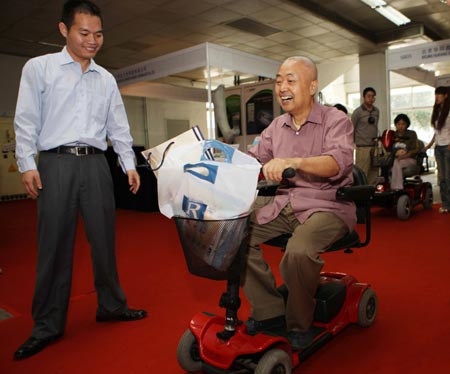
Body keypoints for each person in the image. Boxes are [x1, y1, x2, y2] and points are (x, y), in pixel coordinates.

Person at [13, 0, 147, 360]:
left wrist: (128, 162)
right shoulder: (38, 68)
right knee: (54, 246)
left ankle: (112, 306)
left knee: (104, 240)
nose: (92, 40)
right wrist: (27, 163)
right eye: (84, 32)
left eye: (98, 34)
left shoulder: (106, 79)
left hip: (96, 165)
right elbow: (26, 118)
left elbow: (118, 125)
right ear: (64, 30)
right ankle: (46, 326)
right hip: (56, 164)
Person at [242, 56, 355, 350]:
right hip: (285, 203)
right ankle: (269, 311)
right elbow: (253, 159)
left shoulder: (336, 120)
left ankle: (298, 323)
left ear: (312, 86)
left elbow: (337, 164)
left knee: (299, 252)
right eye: (279, 81)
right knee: (235, 235)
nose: (282, 87)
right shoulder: (275, 127)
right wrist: (219, 161)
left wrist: (295, 162)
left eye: (290, 80)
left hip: (327, 205)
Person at [423, 86, 450, 213]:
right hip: (438, 147)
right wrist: (429, 145)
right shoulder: (437, 111)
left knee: (448, 177)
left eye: (439, 94)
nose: (437, 97)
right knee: (441, 177)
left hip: (448, 146)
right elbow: (437, 132)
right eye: (436, 94)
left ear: (445, 95)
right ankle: (445, 204)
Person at [352, 87, 380, 184]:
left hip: (374, 147)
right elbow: (352, 128)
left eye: (373, 96)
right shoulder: (357, 112)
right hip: (362, 147)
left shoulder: (377, 111)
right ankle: (362, 194)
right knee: (362, 172)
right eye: (368, 96)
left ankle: (372, 194)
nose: (371, 98)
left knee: (374, 172)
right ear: (364, 97)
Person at [390, 114, 419, 190]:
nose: (400, 126)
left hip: (410, 159)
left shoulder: (412, 134)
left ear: (407, 125)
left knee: (397, 163)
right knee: (396, 163)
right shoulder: (393, 135)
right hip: (397, 159)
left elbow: (415, 149)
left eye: (403, 124)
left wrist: (404, 156)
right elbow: (390, 150)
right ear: (395, 125)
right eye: (398, 124)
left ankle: (397, 188)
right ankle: (395, 187)